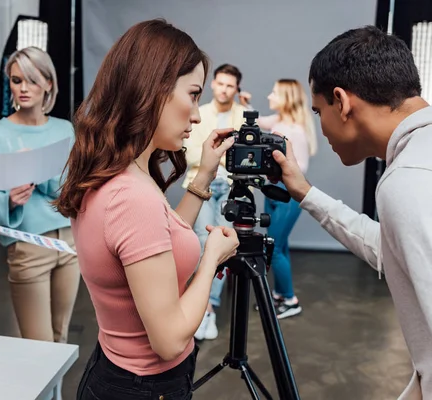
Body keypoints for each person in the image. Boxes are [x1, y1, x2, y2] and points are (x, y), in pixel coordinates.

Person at [55, 19, 239, 400]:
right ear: (153, 90)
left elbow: (160, 241)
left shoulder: (113, 173)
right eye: (192, 94)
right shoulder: (131, 197)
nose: (197, 114)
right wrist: (212, 258)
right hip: (145, 387)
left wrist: (204, 174)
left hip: (116, 374)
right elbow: (169, 340)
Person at [271, 26, 430, 398]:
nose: (320, 126)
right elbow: (392, 249)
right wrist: (306, 193)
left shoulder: (407, 181)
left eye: (318, 110)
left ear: (341, 101)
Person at [0, 47, 79, 344]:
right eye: (16, 80)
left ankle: (56, 394)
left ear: (49, 83)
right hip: (27, 247)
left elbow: (71, 192)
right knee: (39, 344)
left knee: (60, 339)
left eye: (32, 80)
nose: (23, 88)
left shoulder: (65, 130)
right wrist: (10, 199)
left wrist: (40, 171)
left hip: (70, 244)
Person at [182, 64, 249, 341]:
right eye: (220, 83)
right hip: (202, 183)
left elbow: (246, 157)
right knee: (200, 240)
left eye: (229, 85)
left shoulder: (243, 115)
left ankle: (208, 307)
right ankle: (204, 307)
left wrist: (215, 156)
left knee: (221, 245)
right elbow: (192, 155)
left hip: (233, 185)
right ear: (213, 85)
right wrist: (224, 156)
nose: (223, 89)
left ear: (236, 89)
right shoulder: (199, 113)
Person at [253, 79, 317, 319]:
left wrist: (275, 168)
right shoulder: (279, 122)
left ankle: (290, 300)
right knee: (281, 246)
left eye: (274, 93)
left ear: (286, 98)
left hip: (288, 197)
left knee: (275, 248)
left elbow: (300, 168)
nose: (269, 96)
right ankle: (280, 294)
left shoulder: (294, 131)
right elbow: (258, 121)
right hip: (275, 193)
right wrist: (243, 104)